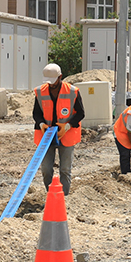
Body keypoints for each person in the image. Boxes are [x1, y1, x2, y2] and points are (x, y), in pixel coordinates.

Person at [33, 63, 85, 195]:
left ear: (60, 77)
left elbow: (80, 113)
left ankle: (64, 197)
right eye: (48, 82)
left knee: (65, 170)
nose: (50, 85)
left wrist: (67, 126)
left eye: (53, 81)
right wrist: (41, 125)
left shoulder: (73, 92)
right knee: (46, 170)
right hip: (46, 136)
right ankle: (51, 196)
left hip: (66, 135)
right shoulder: (40, 92)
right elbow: (36, 114)